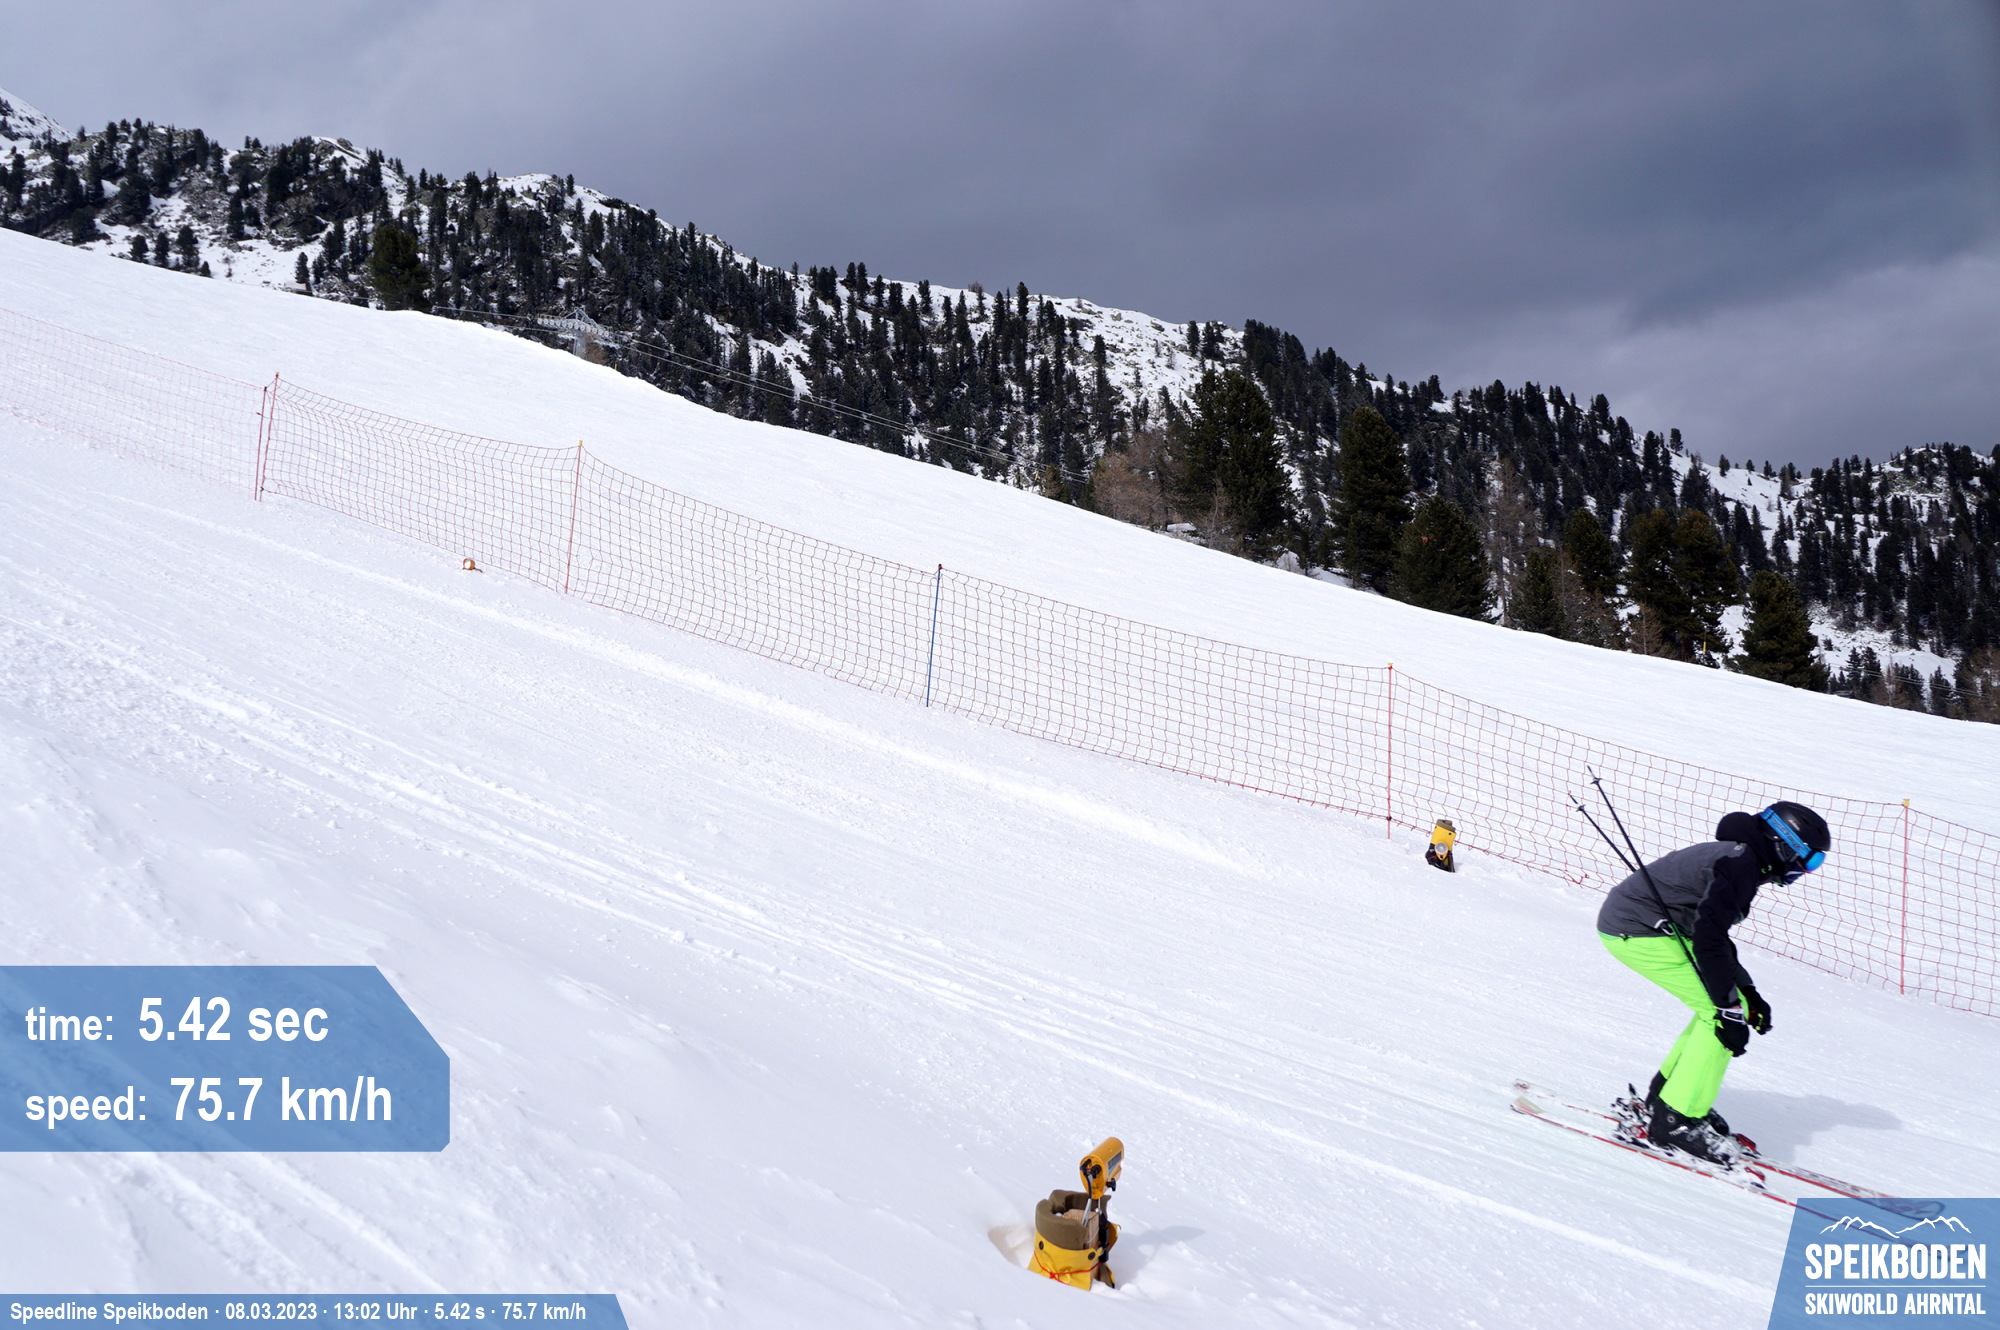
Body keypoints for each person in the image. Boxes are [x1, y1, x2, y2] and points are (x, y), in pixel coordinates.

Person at [1596, 802, 1832, 1165]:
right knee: (1721, 1018)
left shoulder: (1741, 858)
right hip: (1638, 932)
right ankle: (1677, 1119)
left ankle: (1667, 1100)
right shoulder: (1741, 863)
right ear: (1784, 845)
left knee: (1724, 1009)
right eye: (1810, 860)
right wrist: (1729, 1006)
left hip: (1641, 927)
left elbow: (1713, 936)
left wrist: (1747, 992)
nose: (1805, 870)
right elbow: (1709, 938)